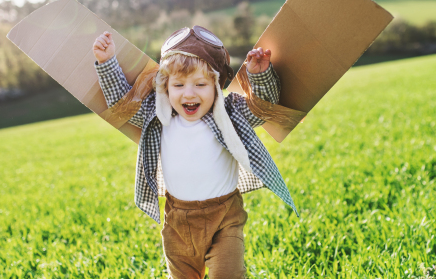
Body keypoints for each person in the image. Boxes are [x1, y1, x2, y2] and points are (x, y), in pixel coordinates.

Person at [92, 26, 298, 278]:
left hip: (225, 216)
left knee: (228, 274)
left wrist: (260, 75)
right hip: (178, 220)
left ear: (216, 86)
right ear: (166, 87)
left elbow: (263, 109)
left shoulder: (230, 113)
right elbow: (122, 104)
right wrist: (107, 62)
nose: (189, 93)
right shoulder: (158, 115)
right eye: (178, 84)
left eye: (200, 84)